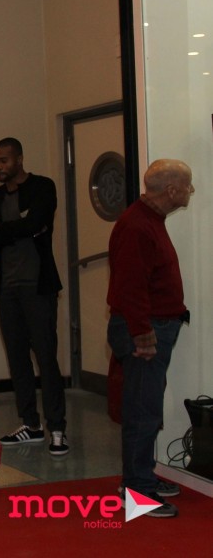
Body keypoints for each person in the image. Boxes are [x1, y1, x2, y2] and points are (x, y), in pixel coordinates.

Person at [107, 159, 194, 519]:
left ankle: (141, 476)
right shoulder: (137, 225)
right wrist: (143, 335)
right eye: (188, 185)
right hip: (144, 330)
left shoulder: (148, 221)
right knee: (142, 411)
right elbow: (129, 287)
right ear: (172, 190)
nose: (191, 191)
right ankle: (137, 491)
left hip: (152, 327)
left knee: (146, 407)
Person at [0, 137, 67, 456]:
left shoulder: (43, 187)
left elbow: (36, 223)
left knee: (46, 357)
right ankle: (30, 424)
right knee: (17, 359)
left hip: (37, 286)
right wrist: (16, 227)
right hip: (7, 289)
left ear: (19, 159)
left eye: (3, 160)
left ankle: (57, 428)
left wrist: (2, 229)